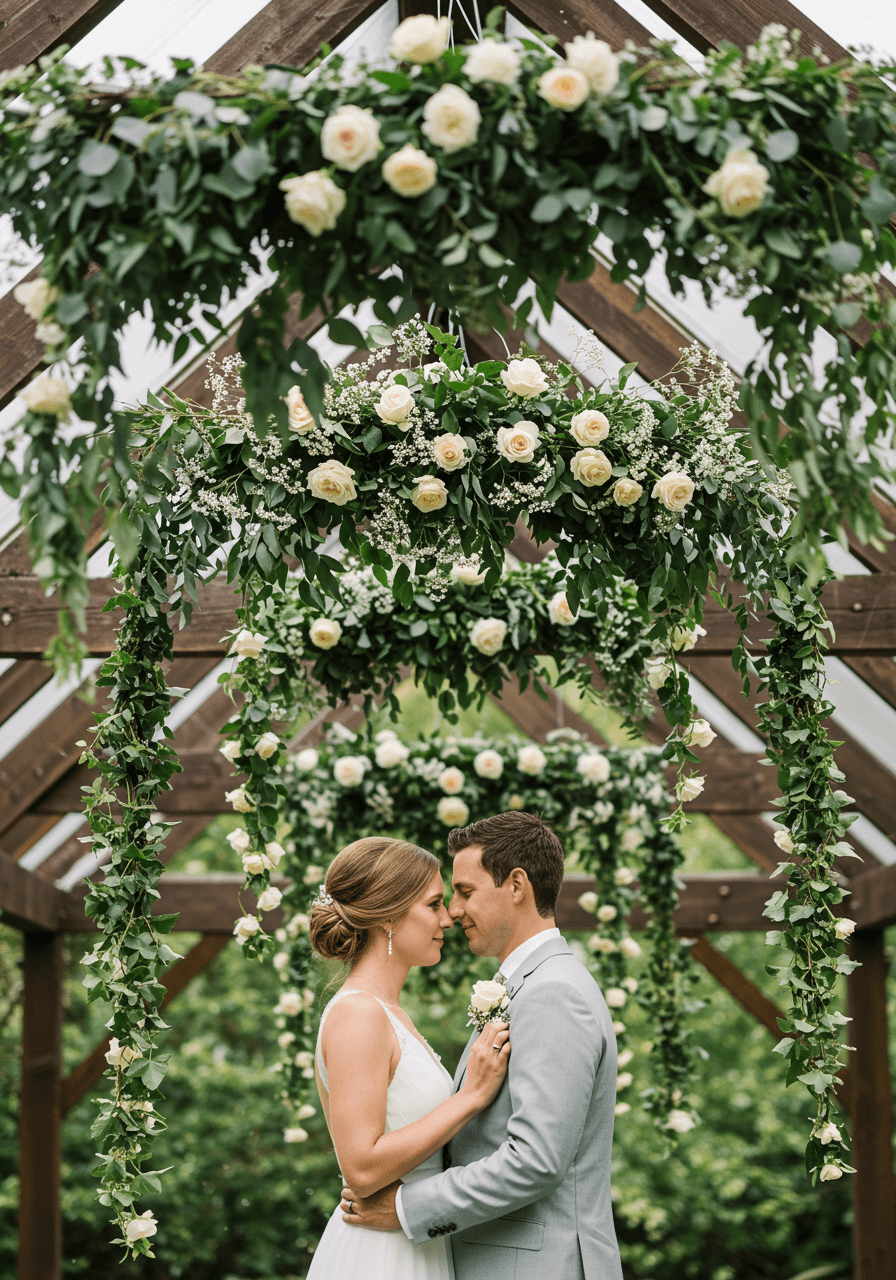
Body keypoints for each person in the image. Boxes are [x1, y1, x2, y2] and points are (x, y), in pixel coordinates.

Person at [341, 811, 624, 1280]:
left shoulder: (554, 993)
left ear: (516, 885)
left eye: (465, 891)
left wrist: (409, 1208)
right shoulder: (530, 986)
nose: (453, 910)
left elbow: (536, 1161)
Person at [305, 835, 511, 1280]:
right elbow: (360, 1168)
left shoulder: (389, 1011)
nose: (448, 918)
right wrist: (471, 1096)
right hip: (380, 1257)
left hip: (415, 1240)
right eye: (433, 904)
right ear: (388, 916)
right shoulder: (359, 1013)